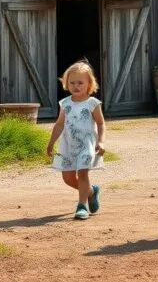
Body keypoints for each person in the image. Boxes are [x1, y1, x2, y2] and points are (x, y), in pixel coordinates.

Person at [46, 60, 106, 220]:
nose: (76, 86)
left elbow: (100, 123)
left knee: (83, 173)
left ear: (89, 84)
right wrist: (51, 142)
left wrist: (101, 141)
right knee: (68, 178)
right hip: (68, 146)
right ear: (66, 83)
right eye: (72, 82)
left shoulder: (92, 103)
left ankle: (82, 206)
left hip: (87, 145)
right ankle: (92, 191)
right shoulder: (65, 103)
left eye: (80, 82)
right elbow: (59, 124)